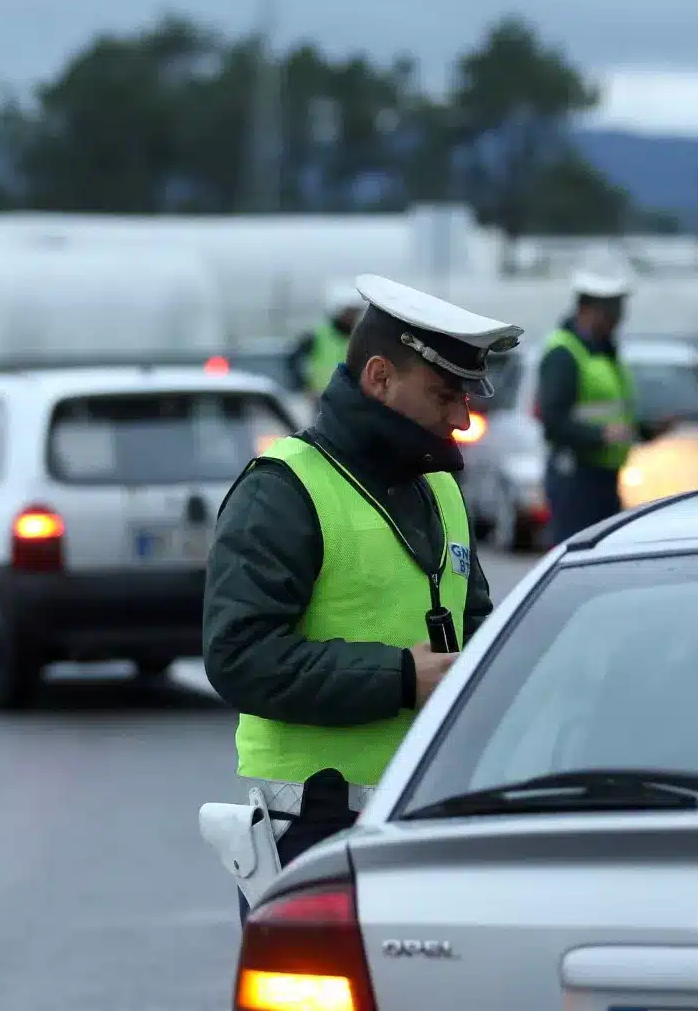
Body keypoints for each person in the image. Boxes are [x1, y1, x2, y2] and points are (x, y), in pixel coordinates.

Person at [204, 274, 517, 919]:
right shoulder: (284, 489)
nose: (462, 419)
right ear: (379, 378)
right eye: (444, 395)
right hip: (314, 836)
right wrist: (402, 676)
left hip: (428, 819)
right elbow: (239, 657)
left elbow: (478, 629)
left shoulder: (442, 491)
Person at [535, 268, 657, 545]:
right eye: (611, 312)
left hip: (604, 476)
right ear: (587, 310)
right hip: (575, 479)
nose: (618, 319)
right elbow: (553, 422)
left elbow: (614, 414)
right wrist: (600, 436)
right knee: (579, 554)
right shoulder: (564, 353)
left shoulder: (605, 353)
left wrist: (644, 430)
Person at [289, 280, 365, 399]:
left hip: (351, 398)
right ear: (338, 310)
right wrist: (303, 386)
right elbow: (293, 360)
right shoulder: (317, 335)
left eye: (356, 311)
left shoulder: (360, 336)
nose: (353, 316)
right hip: (320, 397)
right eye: (350, 311)